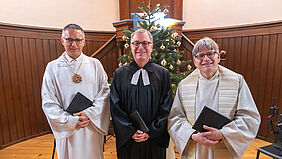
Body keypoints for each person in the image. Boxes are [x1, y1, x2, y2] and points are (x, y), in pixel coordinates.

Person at [168, 37, 261, 159]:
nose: (206, 59)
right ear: (195, 61)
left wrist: (223, 133)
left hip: (223, 147)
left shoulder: (237, 81)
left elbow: (249, 117)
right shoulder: (184, 85)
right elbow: (175, 118)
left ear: (218, 57)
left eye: (210, 54)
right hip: (195, 148)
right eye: (200, 56)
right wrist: (192, 135)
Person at [41, 24, 110, 159]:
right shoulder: (52, 67)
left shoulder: (95, 64)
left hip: (90, 124)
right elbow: (48, 101)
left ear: (84, 41)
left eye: (78, 40)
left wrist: (89, 114)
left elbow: (105, 93)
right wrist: (70, 121)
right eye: (69, 40)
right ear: (62, 40)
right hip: (68, 128)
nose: (74, 44)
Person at [110, 29, 173, 159]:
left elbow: (166, 107)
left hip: (154, 138)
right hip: (129, 139)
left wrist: (151, 131)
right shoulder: (120, 74)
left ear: (152, 46)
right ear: (131, 46)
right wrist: (130, 131)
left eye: (145, 43)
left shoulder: (162, 74)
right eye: (136, 43)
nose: (140, 47)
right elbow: (115, 107)